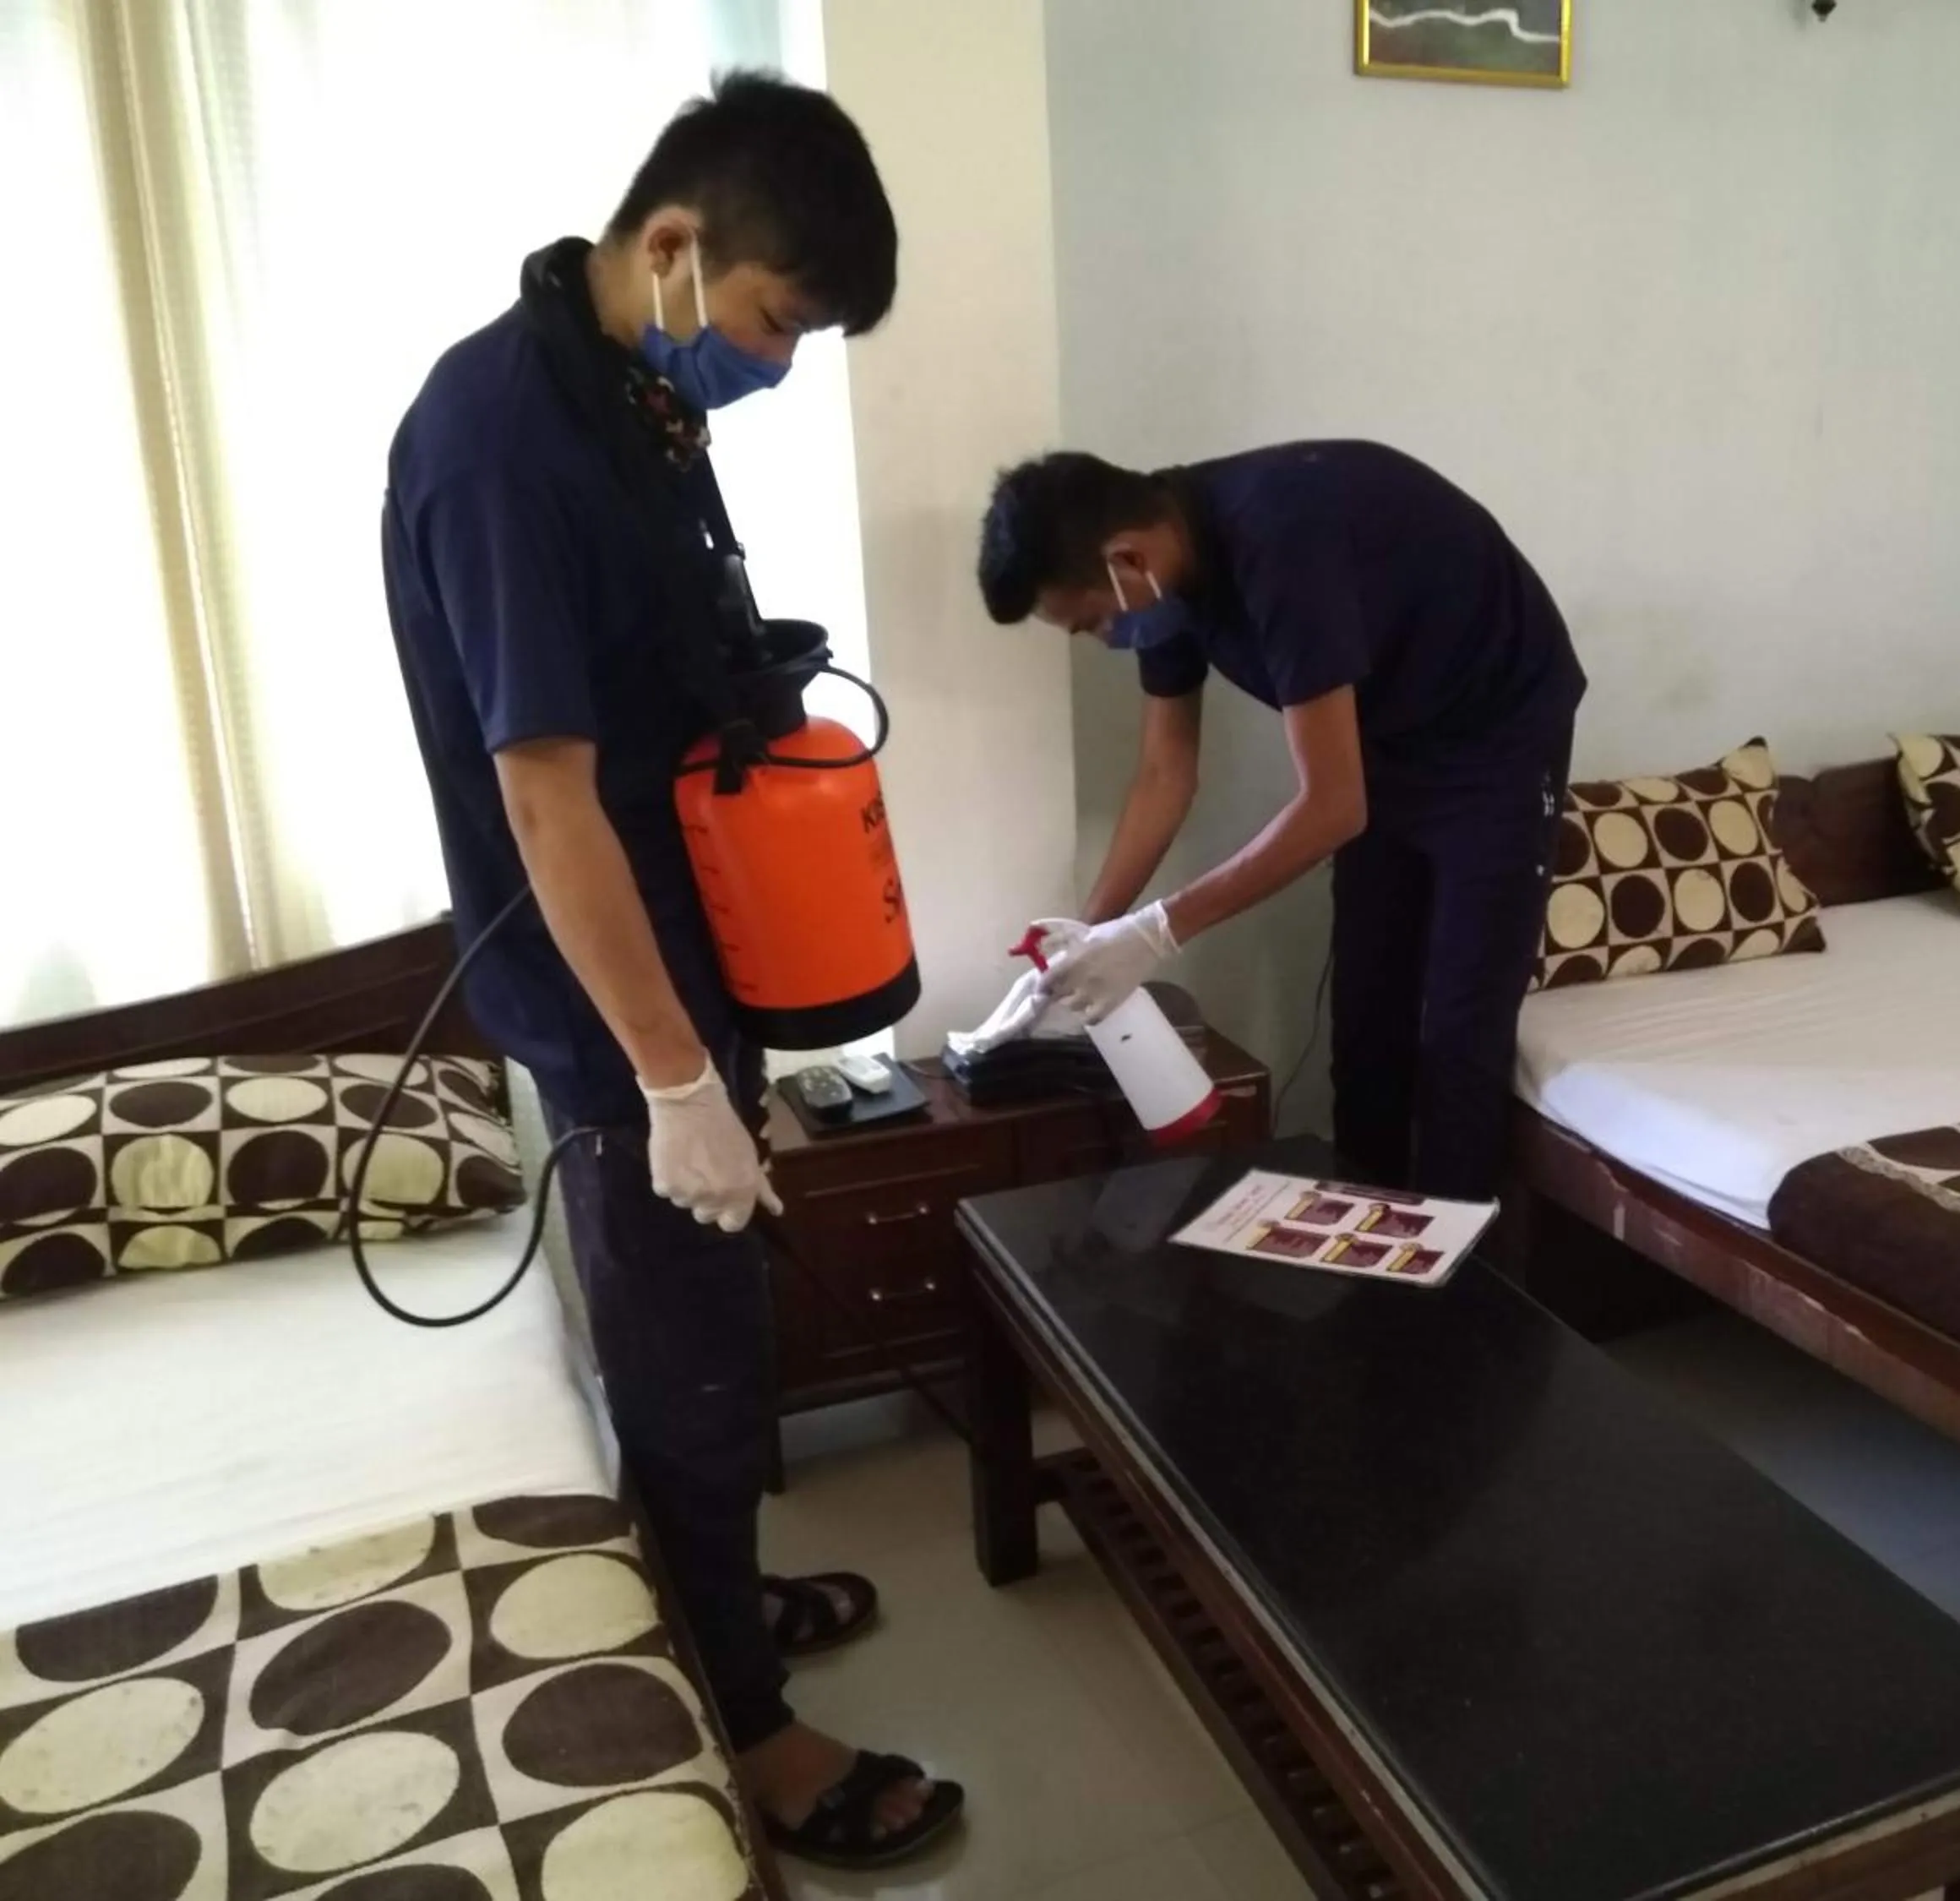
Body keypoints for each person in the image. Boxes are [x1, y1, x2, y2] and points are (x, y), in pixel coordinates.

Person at [381, 73, 961, 1870]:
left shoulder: (633, 396)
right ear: (675, 245)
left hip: (688, 949)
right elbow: (547, 802)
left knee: (718, 1329)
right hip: (611, 998)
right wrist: (674, 1081)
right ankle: (749, 1727)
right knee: (690, 1349)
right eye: (778, 322)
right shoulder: (498, 441)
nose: (778, 366)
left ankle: (718, 1603)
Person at [976, 442, 1586, 1199]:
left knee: (1458, 1038)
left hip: (1499, 737)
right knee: (1366, 1028)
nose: (1103, 640)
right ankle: (1373, 1257)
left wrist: (1155, 933)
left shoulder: (1282, 541)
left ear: (1124, 562)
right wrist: (1084, 940)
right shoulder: (1164, 581)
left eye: (1091, 623)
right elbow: (1167, 775)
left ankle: (1458, 1291)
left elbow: (1332, 807)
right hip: (1388, 740)